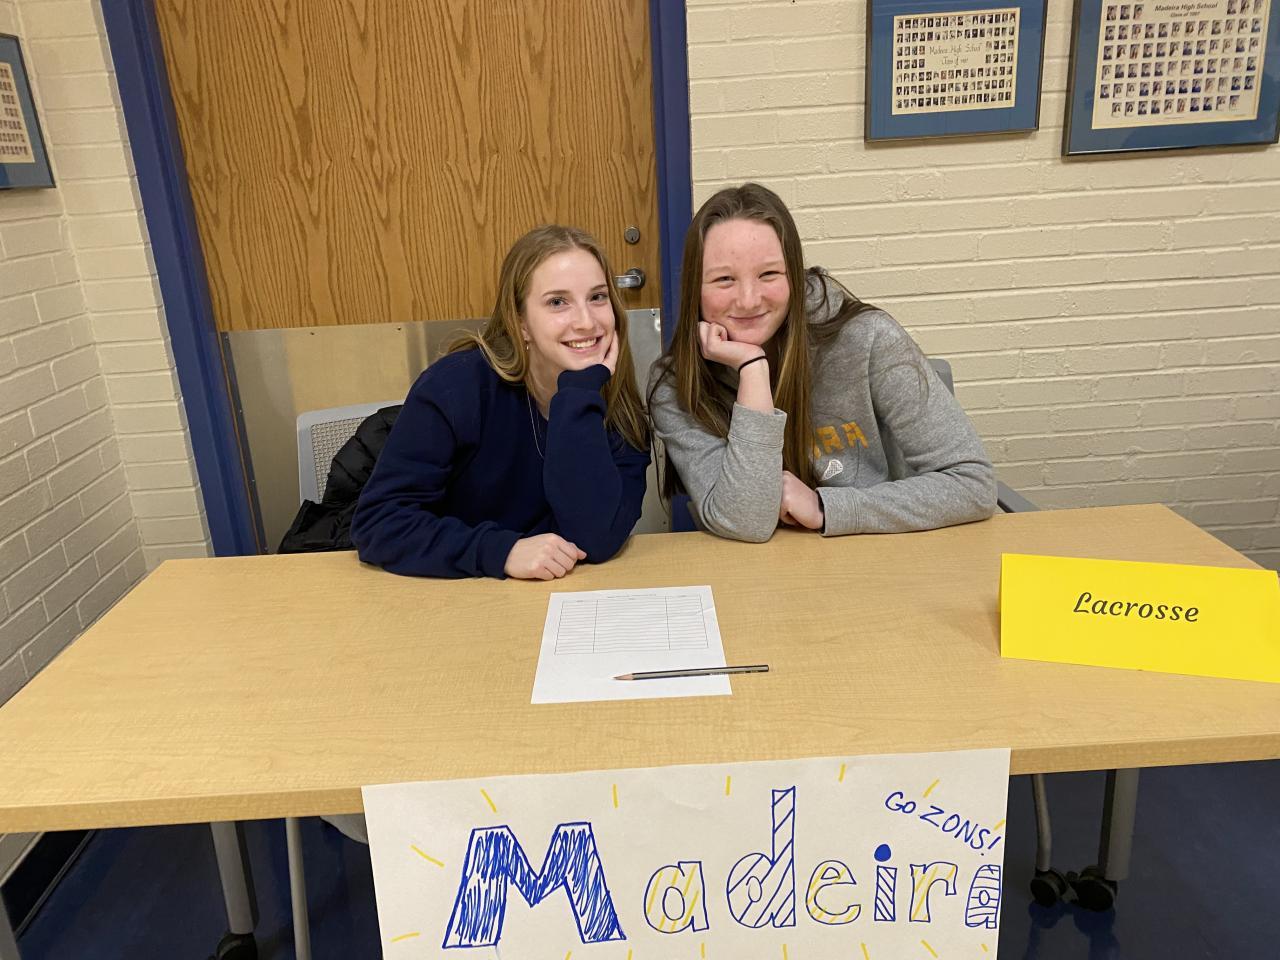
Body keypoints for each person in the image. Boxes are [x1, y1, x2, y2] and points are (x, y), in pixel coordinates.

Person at [648, 182, 996, 544]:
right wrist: (753, 370)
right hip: (754, 568)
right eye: (724, 279)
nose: (749, 300)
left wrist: (826, 507)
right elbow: (746, 522)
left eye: (769, 274)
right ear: (695, 289)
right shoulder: (676, 384)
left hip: (872, 552)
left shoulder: (867, 337)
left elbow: (972, 483)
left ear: (794, 277)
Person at [352, 225, 650, 579]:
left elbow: (595, 539)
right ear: (521, 323)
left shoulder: (620, 408)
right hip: (453, 595)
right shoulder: (456, 387)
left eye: (598, 297)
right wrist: (501, 551)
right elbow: (379, 523)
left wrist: (578, 396)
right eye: (557, 302)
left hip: (559, 598)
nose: (586, 322)